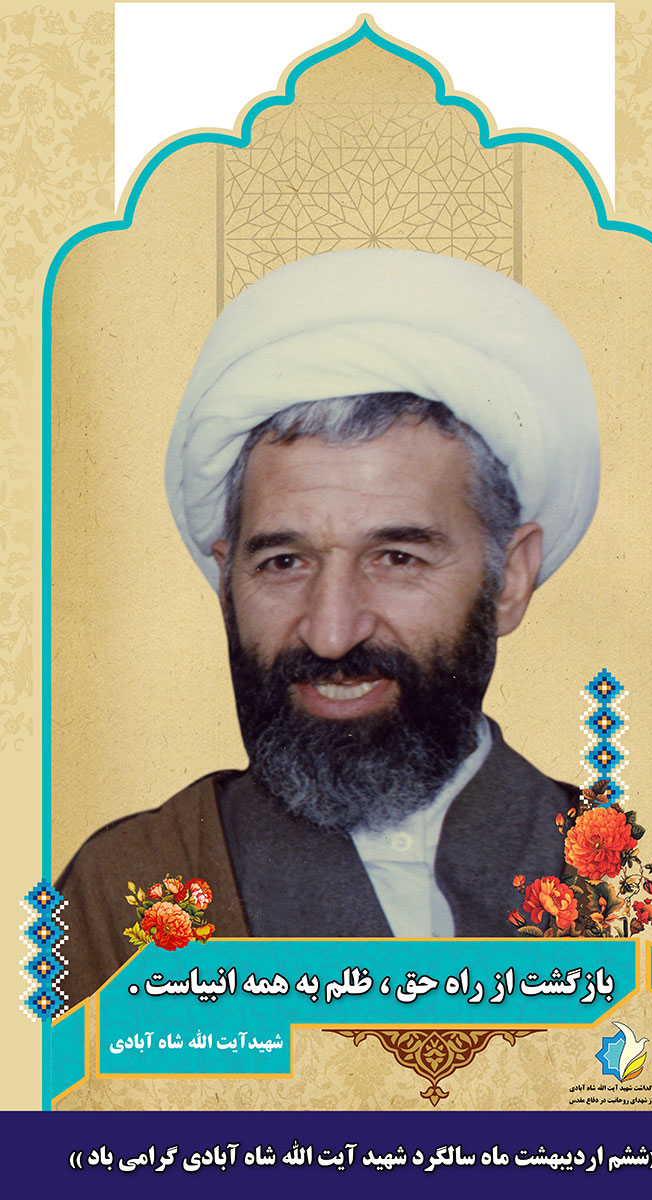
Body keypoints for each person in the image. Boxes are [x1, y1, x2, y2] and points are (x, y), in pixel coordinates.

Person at [57, 249, 599, 1006]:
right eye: (284, 562)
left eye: (397, 557)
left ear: (508, 578)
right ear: (228, 580)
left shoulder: (641, 894)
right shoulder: (127, 892)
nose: (332, 633)